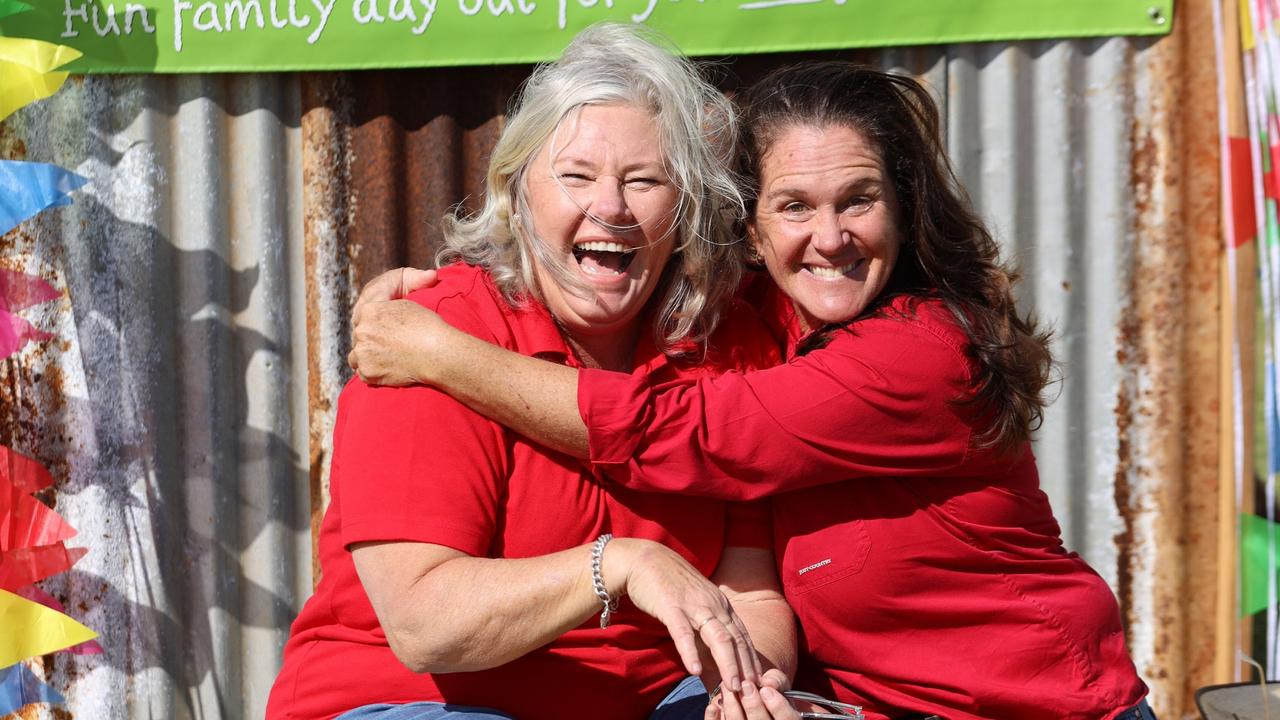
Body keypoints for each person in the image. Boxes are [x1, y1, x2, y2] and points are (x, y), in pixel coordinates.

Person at [346, 62, 1153, 720]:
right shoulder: (748, 323)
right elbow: (426, 624)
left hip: (1035, 705)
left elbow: (691, 436)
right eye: (793, 206)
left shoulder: (918, 352)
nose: (828, 237)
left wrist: (441, 355)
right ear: (750, 231)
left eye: (860, 200)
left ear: (907, 214)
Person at [267, 24, 797, 720]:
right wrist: (619, 565)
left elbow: (752, 597)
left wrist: (740, 691)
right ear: (517, 195)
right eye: (575, 175)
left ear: (688, 210)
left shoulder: (728, 346)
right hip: (413, 702)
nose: (610, 207)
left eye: (645, 180)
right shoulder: (427, 339)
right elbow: (424, 624)